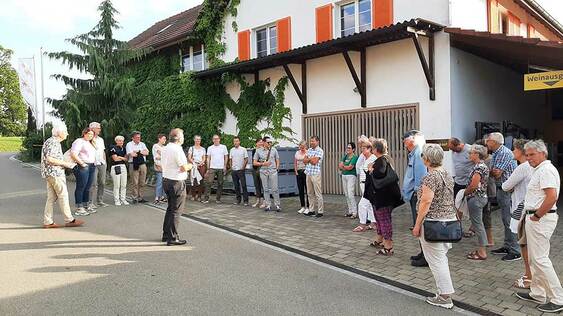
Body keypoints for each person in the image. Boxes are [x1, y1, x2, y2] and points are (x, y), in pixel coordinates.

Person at [515, 140, 563, 313]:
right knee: (535, 259)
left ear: (543, 153)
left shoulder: (546, 171)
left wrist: (536, 216)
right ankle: (538, 292)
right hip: (535, 218)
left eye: (532, 154)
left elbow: (552, 197)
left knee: (541, 259)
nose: (528, 158)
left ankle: (558, 298)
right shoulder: (540, 170)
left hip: (540, 219)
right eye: (526, 155)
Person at [412, 144, 456, 309]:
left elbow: (426, 201)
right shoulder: (447, 174)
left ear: (427, 160)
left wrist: (417, 225)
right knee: (441, 258)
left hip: (432, 223)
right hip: (448, 221)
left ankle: (445, 297)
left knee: (437, 261)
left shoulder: (430, 177)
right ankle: (443, 293)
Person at [502, 139, 533, 289]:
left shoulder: (522, 167)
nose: (512, 152)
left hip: (521, 209)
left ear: (521, 151)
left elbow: (506, 185)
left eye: (514, 149)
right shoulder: (533, 166)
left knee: (524, 245)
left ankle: (529, 277)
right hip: (527, 207)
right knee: (528, 245)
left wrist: (509, 186)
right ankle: (530, 275)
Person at [41, 124, 84, 228]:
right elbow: (50, 159)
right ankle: (69, 220)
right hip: (55, 173)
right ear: (59, 133)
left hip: (49, 173)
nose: (67, 134)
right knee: (63, 195)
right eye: (65, 132)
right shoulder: (54, 143)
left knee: (51, 197)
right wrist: (68, 164)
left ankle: (48, 221)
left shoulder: (49, 141)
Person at [486, 132, 521, 261]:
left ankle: (515, 250)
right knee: (505, 219)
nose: (486, 142)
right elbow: (494, 172)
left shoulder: (503, 153)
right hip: (502, 189)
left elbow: (496, 173)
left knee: (509, 220)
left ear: (495, 142)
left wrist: (489, 171)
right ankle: (507, 246)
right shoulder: (497, 152)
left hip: (507, 190)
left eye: (488, 140)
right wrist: (492, 171)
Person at [368, 138, 402, 255]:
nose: (371, 150)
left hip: (383, 198)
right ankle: (380, 239)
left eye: (372, 148)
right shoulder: (386, 159)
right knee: (380, 219)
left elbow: (379, 175)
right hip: (381, 197)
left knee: (384, 220)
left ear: (376, 149)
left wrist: (370, 170)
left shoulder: (381, 161)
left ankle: (388, 246)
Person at [402, 130, 428, 267]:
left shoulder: (418, 154)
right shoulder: (414, 153)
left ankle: (426, 256)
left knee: (420, 225)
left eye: (405, 140)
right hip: (414, 194)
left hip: (416, 195)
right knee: (419, 225)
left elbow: (421, 176)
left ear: (412, 140)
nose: (404, 143)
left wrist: (417, 194)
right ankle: (423, 252)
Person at [160, 128, 190, 246]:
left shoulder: (165, 148)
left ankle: (166, 234)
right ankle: (172, 238)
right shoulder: (177, 149)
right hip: (176, 181)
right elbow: (183, 167)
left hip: (166, 180)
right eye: (182, 135)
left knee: (170, 208)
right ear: (178, 137)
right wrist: (191, 166)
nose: (183, 137)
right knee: (176, 210)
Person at [464, 144, 490, 261]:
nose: (469, 154)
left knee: (478, 225)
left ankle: (482, 252)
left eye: (471, 153)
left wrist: (464, 193)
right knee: (479, 224)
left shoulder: (479, 167)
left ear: (477, 154)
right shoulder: (482, 166)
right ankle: (481, 249)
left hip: (476, 198)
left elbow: (474, 185)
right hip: (481, 197)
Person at [70, 128, 97, 216]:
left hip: (92, 165)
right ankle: (79, 207)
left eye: (92, 134)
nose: (90, 135)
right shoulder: (79, 141)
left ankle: (86, 205)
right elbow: (73, 154)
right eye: (88, 133)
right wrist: (82, 163)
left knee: (88, 186)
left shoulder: (90, 143)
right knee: (81, 186)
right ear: (84, 133)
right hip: (83, 166)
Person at [352, 144, 377, 232]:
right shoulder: (363, 158)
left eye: (364, 148)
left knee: (362, 204)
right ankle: (373, 223)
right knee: (369, 204)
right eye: (361, 148)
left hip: (369, 185)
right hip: (363, 184)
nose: (362, 150)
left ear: (370, 149)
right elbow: (358, 167)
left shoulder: (373, 158)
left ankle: (362, 224)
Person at [253, 137, 281, 212]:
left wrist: (277, 167)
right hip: (263, 171)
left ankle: (277, 205)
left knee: (275, 188)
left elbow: (277, 159)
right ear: (264, 143)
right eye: (268, 142)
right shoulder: (258, 151)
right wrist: (263, 163)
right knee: (265, 189)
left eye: (271, 142)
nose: (270, 144)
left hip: (273, 171)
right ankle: (268, 205)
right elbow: (254, 163)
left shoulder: (274, 149)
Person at [88, 122, 108, 209]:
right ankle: (90, 202)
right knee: (93, 183)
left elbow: (103, 151)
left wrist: (105, 161)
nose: (100, 129)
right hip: (93, 163)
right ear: (92, 129)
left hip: (102, 163)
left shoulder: (101, 139)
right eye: (98, 128)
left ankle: (100, 201)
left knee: (102, 182)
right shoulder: (88, 139)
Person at [126, 131, 149, 203]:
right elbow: (132, 154)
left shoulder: (142, 144)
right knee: (135, 182)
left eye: (139, 137)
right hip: (133, 164)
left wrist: (138, 151)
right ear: (132, 138)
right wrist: (141, 152)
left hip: (142, 164)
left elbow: (147, 153)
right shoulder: (129, 144)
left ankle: (140, 197)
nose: (139, 138)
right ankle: (134, 197)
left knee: (142, 182)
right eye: (137, 137)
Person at [303, 136, 324, 217]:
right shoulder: (309, 150)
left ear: (317, 141)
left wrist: (310, 159)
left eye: (313, 141)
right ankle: (311, 210)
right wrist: (310, 159)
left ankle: (320, 211)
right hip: (308, 173)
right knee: (309, 193)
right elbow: (304, 161)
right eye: (310, 141)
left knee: (318, 193)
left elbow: (315, 162)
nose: (311, 143)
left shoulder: (320, 150)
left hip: (315, 174)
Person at [204, 135, 228, 204]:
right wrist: (208, 168)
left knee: (220, 183)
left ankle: (218, 199)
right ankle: (206, 198)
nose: (216, 140)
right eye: (214, 139)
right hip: (212, 168)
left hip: (221, 168)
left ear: (219, 139)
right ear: (212, 140)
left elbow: (226, 157)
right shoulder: (210, 148)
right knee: (209, 182)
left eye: (217, 139)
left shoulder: (223, 147)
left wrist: (225, 166)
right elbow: (208, 158)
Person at [339, 142, 358, 217]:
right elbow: (340, 165)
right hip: (344, 175)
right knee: (346, 194)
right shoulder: (345, 156)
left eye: (349, 148)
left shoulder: (355, 157)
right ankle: (350, 211)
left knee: (350, 194)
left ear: (353, 149)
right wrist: (344, 166)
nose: (347, 149)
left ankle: (354, 212)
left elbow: (350, 167)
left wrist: (343, 166)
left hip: (351, 176)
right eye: (347, 147)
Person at [109, 136, 129, 206]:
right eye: (120, 141)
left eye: (122, 141)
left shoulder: (124, 149)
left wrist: (120, 157)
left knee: (124, 184)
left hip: (123, 166)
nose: (121, 142)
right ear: (116, 141)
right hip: (116, 167)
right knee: (117, 185)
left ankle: (123, 199)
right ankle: (117, 200)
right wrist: (122, 158)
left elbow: (126, 159)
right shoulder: (113, 147)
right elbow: (115, 159)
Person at [230, 136, 249, 206]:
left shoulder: (243, 149)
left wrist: (243, 167)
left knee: (243, 185)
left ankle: (246, 201)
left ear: (239, 142)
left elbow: (246, 159)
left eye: (237, 141)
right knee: (236, 186)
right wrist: (231, 167)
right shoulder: (231, 150)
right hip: (234, 170)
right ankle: (238, 200)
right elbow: (230, 159)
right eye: (234, 141)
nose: (236, 142)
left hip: (241, 170)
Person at [187, 135, 206, 202]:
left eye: (199, 139)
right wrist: (194, 164)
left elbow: (204, 158)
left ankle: (199, 196)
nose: (198, 141)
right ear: (194, 140)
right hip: (193, 165)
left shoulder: (203, 149)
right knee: (193, 180)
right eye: (197, 139)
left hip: (201, 166)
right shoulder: (191, 148)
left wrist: (200, 164)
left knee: (201, 181)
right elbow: (189, 157)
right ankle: (193, 195)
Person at [295, 141, 310, 213]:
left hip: (306, 172)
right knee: (300, 190)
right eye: (301, 145)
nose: (302, 147)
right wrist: (296, 171)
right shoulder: (297, 153)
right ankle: (302, 206)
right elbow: (295, 162)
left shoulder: (308, 152)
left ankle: (308, 207)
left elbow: (309, 162)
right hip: (299, 172)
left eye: (303, 146)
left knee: (307, 190)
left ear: (306, 146)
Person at [152, 134, 166, 204]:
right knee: (159, 182)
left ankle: (163, 197)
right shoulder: (155, 146)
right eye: (163, 139)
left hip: (165, 167)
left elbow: (165, 156)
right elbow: (160, 154)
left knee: (164, 182)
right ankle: (157, 197)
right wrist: (163, 156)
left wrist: (162, 157)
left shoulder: (165, 147)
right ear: (159, 139)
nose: (165, 140)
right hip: (159, 166)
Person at [251, 138, 265, 208]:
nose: (261, 143)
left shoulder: (264, 150)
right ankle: (258, 201)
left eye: (262, 142)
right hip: (255, 170)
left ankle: (265, 201)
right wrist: (259, 163)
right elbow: (253, 162)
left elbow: (264, 161)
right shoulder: (254, 150)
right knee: (257, 186)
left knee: (263, 186)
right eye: (259, 142)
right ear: (256, 143)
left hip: (262, 170)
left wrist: (259, 163)